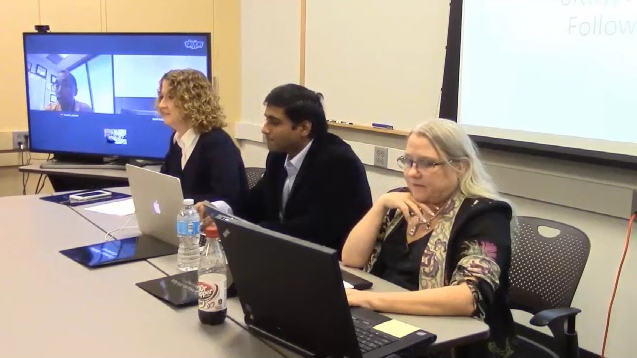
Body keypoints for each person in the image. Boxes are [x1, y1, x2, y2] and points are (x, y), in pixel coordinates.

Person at [341, 118, 516, 358]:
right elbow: (351, 260)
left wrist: (371, 301)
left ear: (461, 167)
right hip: (392, 319)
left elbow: (467, 297)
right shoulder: (400, 202)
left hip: (453, 339)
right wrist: (380, 205)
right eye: (408, 161)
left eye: (427, 163)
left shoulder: (485, 215)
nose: (413, 172)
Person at [199, 83, 373, 252]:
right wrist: (219, 210)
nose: (264, 129)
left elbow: (316, 230)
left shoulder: (339, 163)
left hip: (332, 263)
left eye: (274, 122)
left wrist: (253, 230)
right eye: (266, 119)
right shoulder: (278, 155)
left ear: (304, 128)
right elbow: (255, 202)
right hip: (286, 252)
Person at [158, 69, 248, 208]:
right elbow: (166, 186)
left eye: (170, 97)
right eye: (161, 97)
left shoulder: (218, 143)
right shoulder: (176, 139)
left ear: (192, 100)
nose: (161, 105)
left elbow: (230, 199)